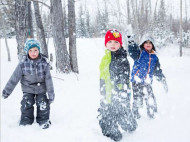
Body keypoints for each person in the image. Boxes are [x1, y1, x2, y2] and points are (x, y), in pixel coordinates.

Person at [2, 39, 55, 129]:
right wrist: (6, 91)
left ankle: (43, 120)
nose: (33, 53)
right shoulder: (23, 63)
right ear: (27, 51)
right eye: (30, 50)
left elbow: (48, 80)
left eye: (35, 50)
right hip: (27, 88)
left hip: (41, 88)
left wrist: (51, 95)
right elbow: (14, 78)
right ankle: (26, 120)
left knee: (43, 103)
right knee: (26, 103)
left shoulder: (44, 63)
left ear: (39, 50)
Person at [98, 29, 137, 141]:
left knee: (122, 114)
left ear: (120, 44)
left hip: (119, 94)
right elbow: (102, 76)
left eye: (116, 42)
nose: (113, 45)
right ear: (106, 44)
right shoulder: (105, 58)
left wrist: (121, 93)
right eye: (110, 42)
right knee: (107, 114)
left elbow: (124, 78)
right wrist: (102, 90)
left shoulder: (122, 58)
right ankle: (109, 129)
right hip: (107, 93)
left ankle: (129, 123)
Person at [127, 35, 168, 119]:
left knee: (150, 98)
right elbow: (132, 51)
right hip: (136, 80)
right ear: (142, 44)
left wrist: (162, 79)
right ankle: (135, 114)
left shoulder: (154, 57)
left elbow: (157, 70)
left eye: (150, 42)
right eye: (146, 42)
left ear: (153, 45)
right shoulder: (139, 53)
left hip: (147, 81)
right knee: (137, 98)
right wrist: (131, 43)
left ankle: (152, 113)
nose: (148, 44)